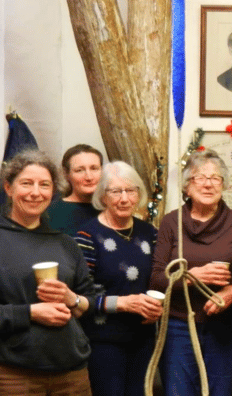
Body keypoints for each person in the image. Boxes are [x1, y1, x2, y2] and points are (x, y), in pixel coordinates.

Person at [150, 149, 232, 396]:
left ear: (223, 185)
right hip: (178, 327)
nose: (208, 184)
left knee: (222, 392)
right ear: (187, 186)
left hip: (224, 328)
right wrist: (194, 277)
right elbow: (156, 279)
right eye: (200, 177)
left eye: (215, 178)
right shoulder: (171, 222)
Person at [0, 150, 96, 394]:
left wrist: (71, 298)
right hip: (14, 375)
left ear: (53, 192)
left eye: (44, 185)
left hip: (72, 374)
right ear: (8, 188)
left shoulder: (65, 243)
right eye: (26, 183)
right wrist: (30, 313)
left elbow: (89, 302)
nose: (35, 192)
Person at [75, 161, 162, 396]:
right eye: (115, 191)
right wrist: (122, 303)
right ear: (103, 196)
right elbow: (80, 295)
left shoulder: (150, 233)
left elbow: (158, 279)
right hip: (103, 341)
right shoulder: (86, 236)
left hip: (144, 338)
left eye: (130, 190)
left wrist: (158, 308)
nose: (124, 198)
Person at [47, 144, 103, 236]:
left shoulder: (112, 208)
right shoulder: (52, 213)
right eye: (79, 170)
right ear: (66, 174)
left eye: (94, 168)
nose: (89, 177)